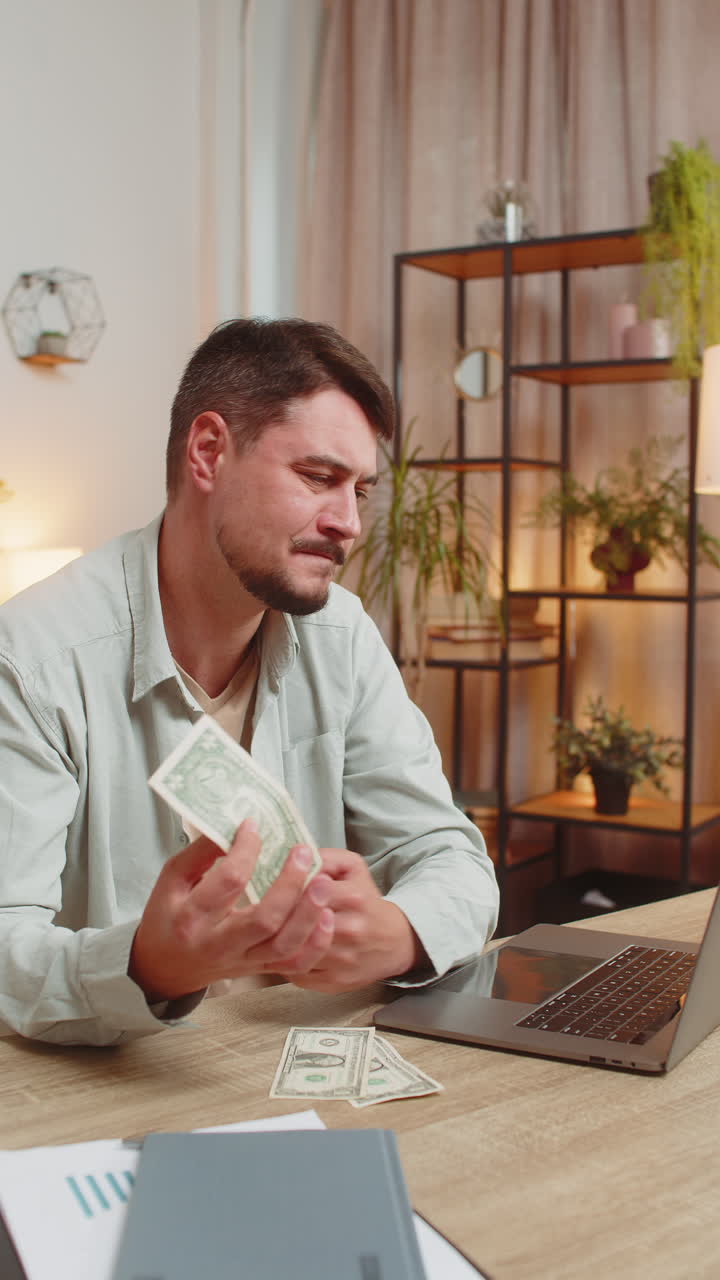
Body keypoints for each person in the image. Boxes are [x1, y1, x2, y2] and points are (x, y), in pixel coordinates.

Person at [0, 318, 498, 1045]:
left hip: (306, 1052)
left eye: (361, 491)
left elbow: (451, 856)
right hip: (124, 1077)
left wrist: (400, 931)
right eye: (319, 478)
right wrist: (145, 966)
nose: (350, 523)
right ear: (209, 452)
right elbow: (6, 944)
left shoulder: (344, 636)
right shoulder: (32, 660)